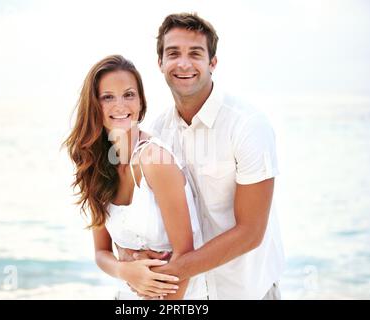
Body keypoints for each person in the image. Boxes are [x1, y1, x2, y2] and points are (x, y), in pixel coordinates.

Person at [116, 13, 285, 300]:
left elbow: (251, 232)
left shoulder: (247, 125)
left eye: (195, 53)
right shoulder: (155, 133)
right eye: (173, 54)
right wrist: (131, 260)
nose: (183, 63)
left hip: (245, 293)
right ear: (160, 64)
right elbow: (139, 215)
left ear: (212, 63)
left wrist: (166, 273)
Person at [63, 54, 208, 299]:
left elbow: (185, 258)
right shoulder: (97, 166)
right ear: (94, 106)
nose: (120, 105)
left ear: (141, 102)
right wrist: (126, 270)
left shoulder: (154, 160)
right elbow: (101, 253)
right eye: (107, 97)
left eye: (129, 94)